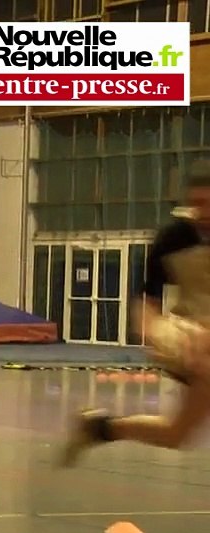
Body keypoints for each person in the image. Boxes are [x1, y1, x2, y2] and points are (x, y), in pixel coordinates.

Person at [60, 163, 210, 466]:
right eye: (196, 204)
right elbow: (146, 307)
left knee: (177, 434)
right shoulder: (173, 239)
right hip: (183, 334)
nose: (202, 213)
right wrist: (159, 336)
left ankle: (99, 428)